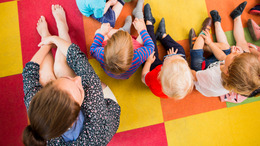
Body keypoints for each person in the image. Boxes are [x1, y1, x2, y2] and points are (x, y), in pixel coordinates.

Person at [22, 5, 120, 145]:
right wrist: (56, 39)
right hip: (105, 106)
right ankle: (62, 29)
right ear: (74, 119)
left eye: (69, 80)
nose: (78, 79)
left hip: (93, 110)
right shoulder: (95, 116)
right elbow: (78, 60)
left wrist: (48, 43)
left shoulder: (37, 112)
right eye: (79, 91)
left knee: (46, 75)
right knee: (61, 68)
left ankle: (47, 37)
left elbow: (29, 73)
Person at [190, 1, 260, 101]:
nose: (236, 52)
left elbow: (194, 75)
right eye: (240, 54)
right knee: (225, 46)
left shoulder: (213, 77)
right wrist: (210, 44)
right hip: (214, 65)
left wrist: (183, 66)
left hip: (200, 72)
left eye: (236, 56)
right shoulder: (230, 69)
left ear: (227, 71)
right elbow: (223, 57)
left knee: (198, 48)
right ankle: (205, 39)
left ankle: (201, 36)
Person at [90, 0, 154, 79]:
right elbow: (150, 46)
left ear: (108, 47)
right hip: (126, 73)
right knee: (143, 31)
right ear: (132, 48)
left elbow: (93, 49)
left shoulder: (101, 54)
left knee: (98, 32)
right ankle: (138, 14)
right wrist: (141, 30)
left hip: (112, 71)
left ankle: (124, 29)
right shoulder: (137, 56)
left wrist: (101, 32)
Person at [141, 4, 193, 99]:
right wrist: (174, 57)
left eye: (169, 58)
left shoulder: (154, 77)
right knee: (180, 50)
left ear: (162, 71)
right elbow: (178, 66)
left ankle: (149, 24)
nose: (170, 56)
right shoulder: (181, 83)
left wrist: (148, 62)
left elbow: (143, 77)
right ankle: (162, 35)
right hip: (167, 74)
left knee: (149, 50)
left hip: (153, 66)